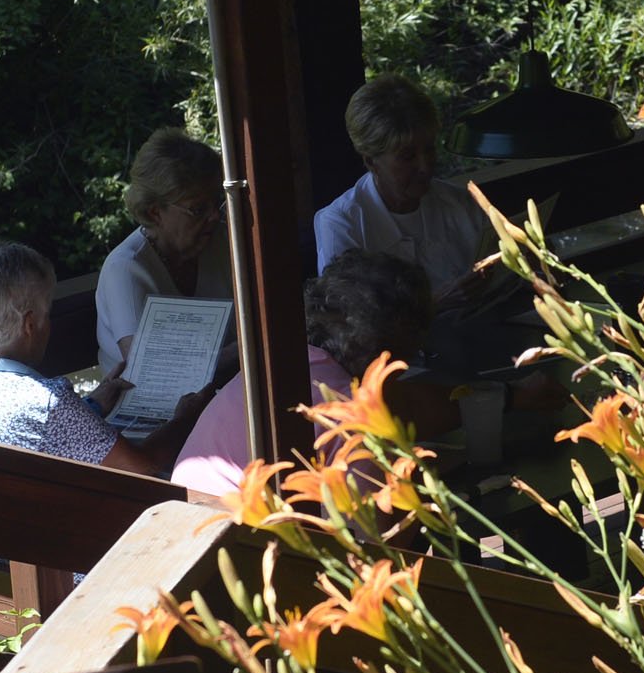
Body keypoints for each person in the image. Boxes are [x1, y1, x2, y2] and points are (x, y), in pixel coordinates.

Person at [173, 250, 461, 496]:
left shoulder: (277, 368)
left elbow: (410, 403)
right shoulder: (352, 413)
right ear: (404, 348)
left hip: (188, 529)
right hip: (242, 543)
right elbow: (373, 542)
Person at [0, 241, 197, 477]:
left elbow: (38, 434)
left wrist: (91, 405)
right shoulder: (47, 403)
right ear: (29, 325)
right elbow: (141, 467)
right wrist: (188, 417)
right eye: (46, 313)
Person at [313, 75, 494, 307]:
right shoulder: (341, 223)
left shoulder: (460, 203)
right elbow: (346, 321)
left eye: (429, 150)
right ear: (371, 161)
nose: (425, 166)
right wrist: (434, 304)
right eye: (408, 157)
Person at [95, 128, 233, 397]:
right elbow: (154, 374)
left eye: (216, 203)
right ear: (155, 212)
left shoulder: (224, 240)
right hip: (149, 424)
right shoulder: (125, 269)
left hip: (219, 401)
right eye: (198, 209)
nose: (214, 217)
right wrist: (248, 348)